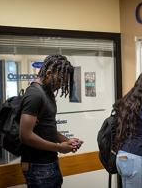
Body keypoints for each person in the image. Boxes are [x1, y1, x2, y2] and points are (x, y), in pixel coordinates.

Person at [19, 55, 83, 188]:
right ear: (48, 73)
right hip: (38, 167)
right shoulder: (34, 95)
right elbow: (25, 136)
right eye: (60, 81)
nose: (60, 86)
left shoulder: (47, 93)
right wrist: (60, 147)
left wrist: (66, 140)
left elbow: (47, 129)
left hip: (50, 163)